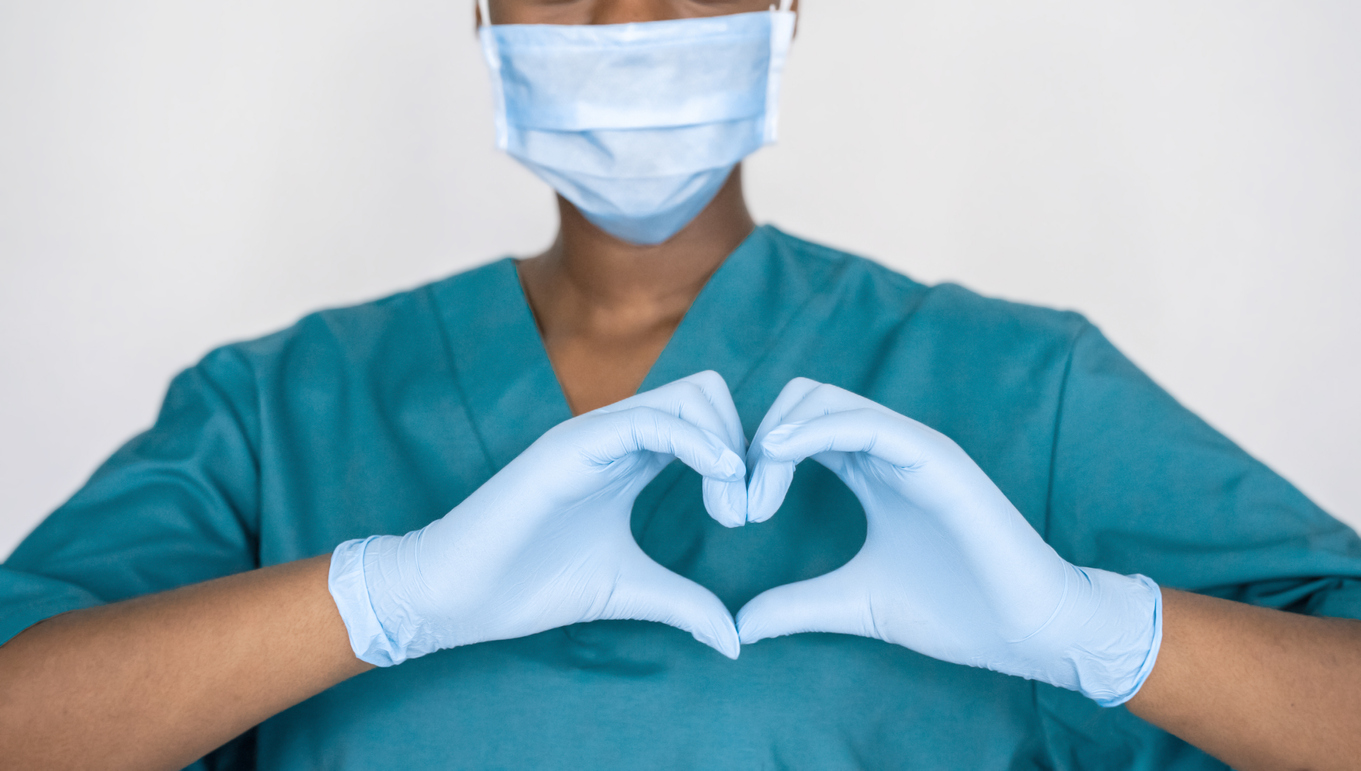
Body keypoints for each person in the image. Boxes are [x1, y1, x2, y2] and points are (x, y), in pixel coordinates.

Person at [2, 1, 1359, 768]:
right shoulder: (279, 411)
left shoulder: (1018, 389)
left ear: (786, 10)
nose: (624, 13)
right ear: (479, 13)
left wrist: (1100, 632)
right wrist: (380, 600)